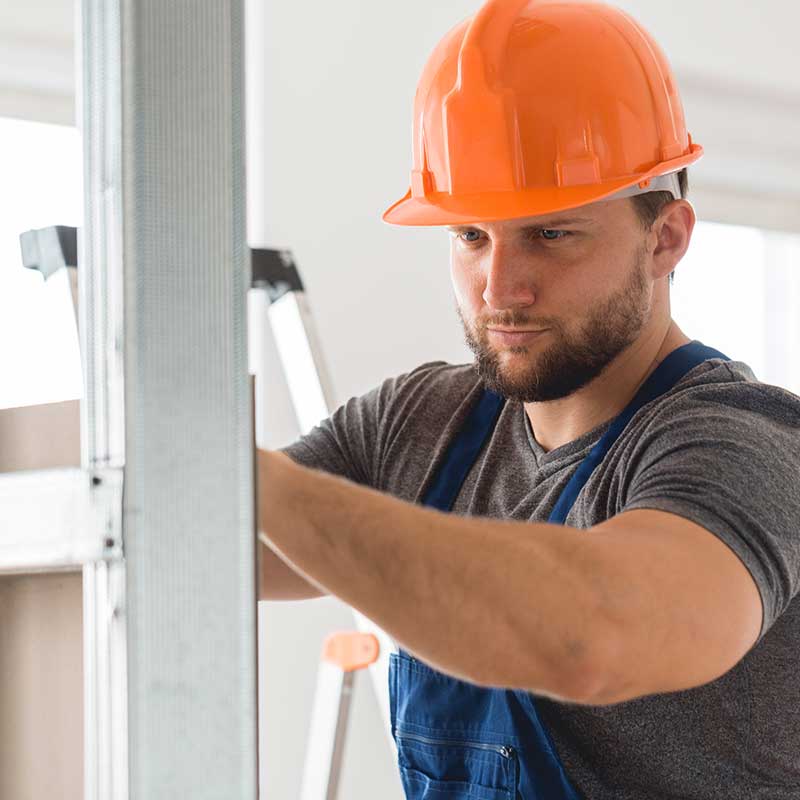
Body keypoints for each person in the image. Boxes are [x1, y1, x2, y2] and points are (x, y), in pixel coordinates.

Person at [256, 1, 800, 797]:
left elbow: (592, 635)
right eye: (471, 236)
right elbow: (202, 555)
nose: (499, 288)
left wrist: (257, 484)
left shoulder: (743, 442)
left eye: (550, 233)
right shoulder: (416, 425)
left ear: (667, 238)